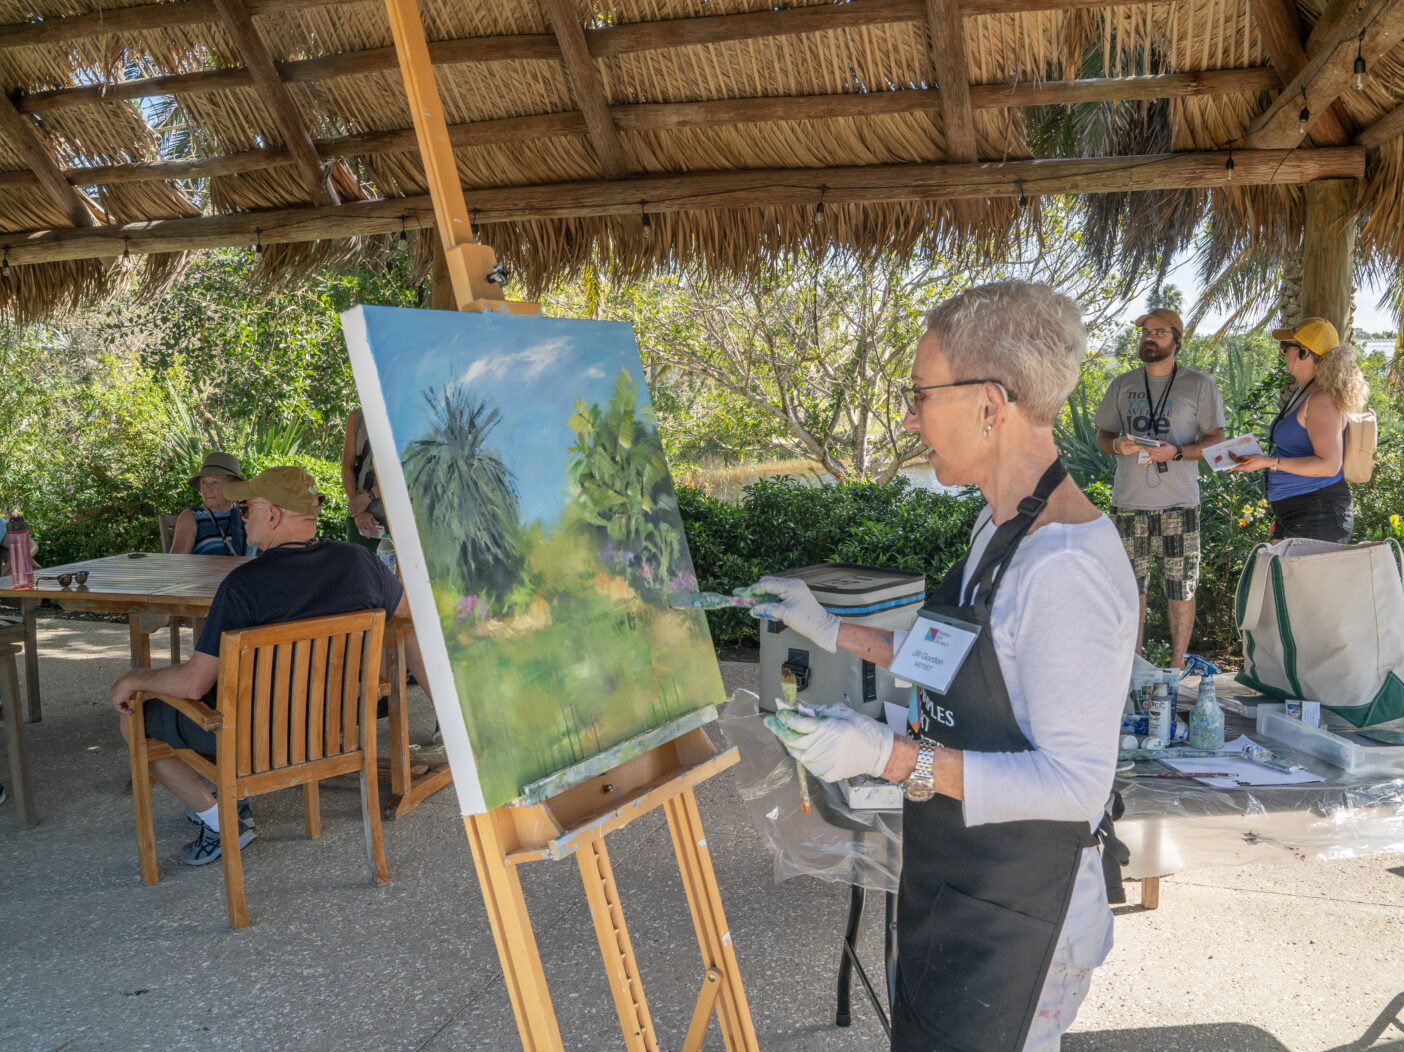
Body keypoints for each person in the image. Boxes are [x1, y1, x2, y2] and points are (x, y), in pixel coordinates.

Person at [752, 281, 1138, 1052]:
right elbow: (949, 661)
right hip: (961, 880)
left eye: (919, 393)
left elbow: (1074, 786)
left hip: (1024, 913)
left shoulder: (1065, 566)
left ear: (990, 405)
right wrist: (829, 629)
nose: (908, 415)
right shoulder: (995, 527)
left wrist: (891, 757)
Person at [111, 466, 432, 866]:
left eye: (247, 509)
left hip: (255, 741)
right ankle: (231, 799)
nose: (242, 517)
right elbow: (408, 612)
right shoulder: (360, 563)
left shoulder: (244, 586)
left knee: (138, 717)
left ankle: (219, 820)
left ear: (274, 515)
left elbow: (193, 684)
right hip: (333, 729)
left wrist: (133, 678)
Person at [1093, 307, 1225, 668]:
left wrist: (1178, 452)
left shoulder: (1199, 384)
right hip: (1129, 502)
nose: (1148, 337)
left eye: (1158, 332)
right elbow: (1103, 435)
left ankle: (1177, 666)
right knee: (1128, 588)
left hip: (1179, 503)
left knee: (1180, 587)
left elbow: (1217, 439)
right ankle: (1133, 668)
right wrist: (1117, 445)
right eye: (1145, 332)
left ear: (1177, 341)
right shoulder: (1123, 384)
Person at [1229, 318, 1368, 543]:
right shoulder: (1304, 392)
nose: (1283, 353)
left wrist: (1268, 462)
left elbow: (1329, 465)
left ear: (1304, 352)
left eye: (1286, 347)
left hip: (1318, 513)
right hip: (1297, 510)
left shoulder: (1321, 399)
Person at [169, 452, 253, 556]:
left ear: (232, 486)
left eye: (215, 482)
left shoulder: (248, 514)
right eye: (204, 482)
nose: (207, 488)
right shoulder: (191, 518)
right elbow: (177, 562)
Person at [341, 407, 385, 552]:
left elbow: (409, 473)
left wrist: (370, 496)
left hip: (395, 515)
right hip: (360, 517)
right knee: (358, 570)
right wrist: (358, 510)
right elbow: (347, 467)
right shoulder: (357, 416)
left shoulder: (413, 415)